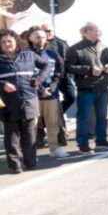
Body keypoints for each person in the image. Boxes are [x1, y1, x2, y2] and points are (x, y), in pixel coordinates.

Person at [0, 29, 50, 173]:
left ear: (16, 40)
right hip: (7, 103)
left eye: (9, 41)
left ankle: (31, 163)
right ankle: (15, 166)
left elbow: (47, 65)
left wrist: (39, 78)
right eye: (3, 42)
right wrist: (3, 85)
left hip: (29, 100)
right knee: (12, 136)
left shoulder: (29, 55)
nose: (7, 44)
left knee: (29, 134)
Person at [65, 22, 108, 154]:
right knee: (83, 117)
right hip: (86, 88)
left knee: (102, 116)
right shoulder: (75, 49)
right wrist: (89, 69)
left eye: (100, 31)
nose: (100, 33)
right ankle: (82, 144)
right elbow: (69, 67)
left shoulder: (103, 46)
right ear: (86, 32)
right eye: (97, 31)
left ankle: (101, 141)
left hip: (103, 87)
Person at [28, 28, 69, 158]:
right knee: (32, 126)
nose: (40, 39)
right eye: (37, 37)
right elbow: (27, 75)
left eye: (43, 37)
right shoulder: (26, 55)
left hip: (51, 94)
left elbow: (58, 73)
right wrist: (41, 90)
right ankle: (31, 153)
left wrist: (52, 87)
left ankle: (54, 148)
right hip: (33, 95)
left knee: (53, 123)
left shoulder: (52, 54)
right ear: (30, 38)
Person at [43, 23, 74, 146]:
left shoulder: (62, 42)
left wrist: (70, 73)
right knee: (52, 103)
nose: (47, 33)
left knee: (71, 97)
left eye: (49, 30)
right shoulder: (41, 44)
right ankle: (58, 133)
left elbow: (69, 57)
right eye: (44, 31)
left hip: (64, 76)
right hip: (49, 78)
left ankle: (57, 114)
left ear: (53, 31)